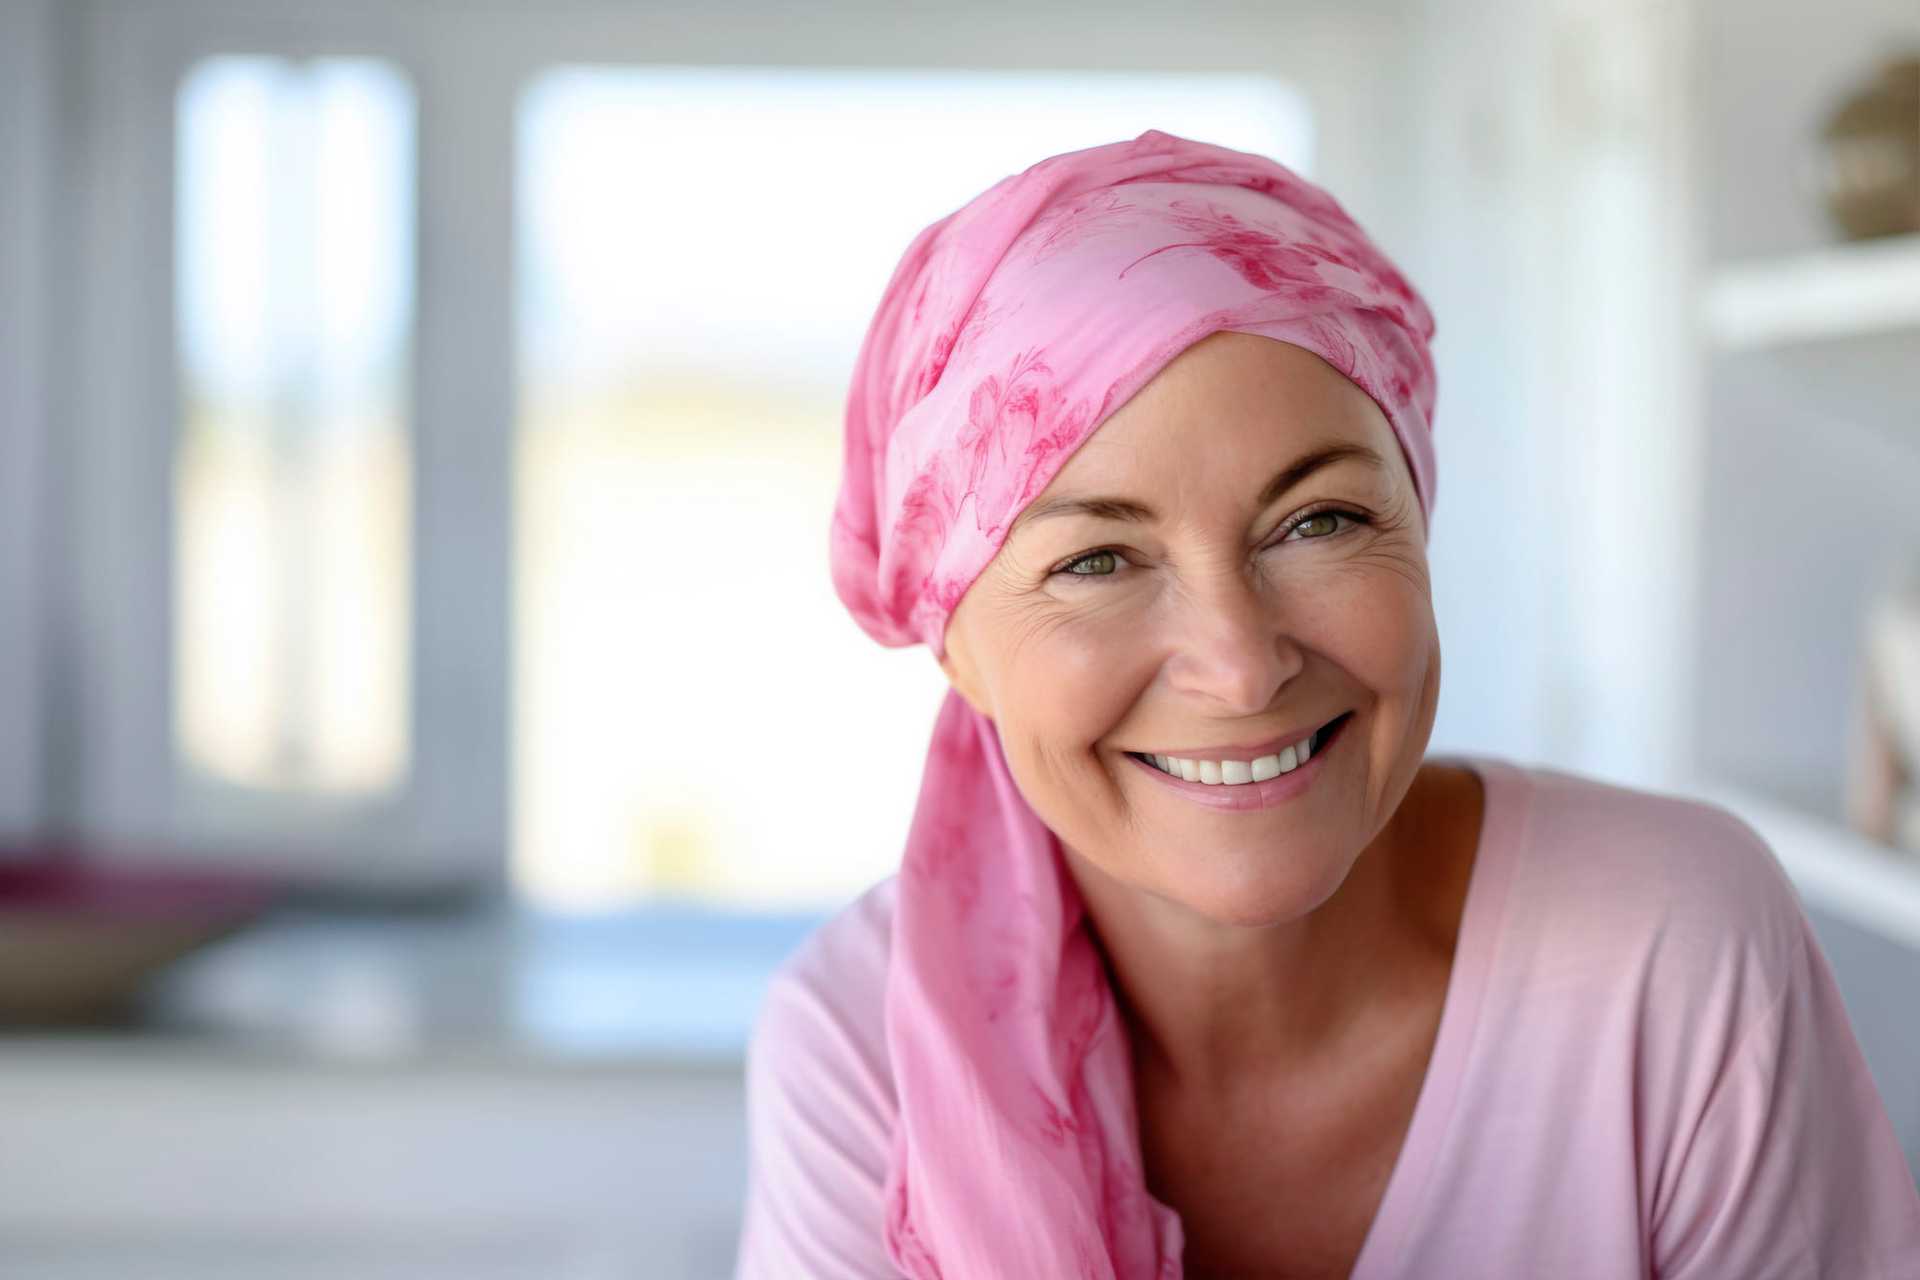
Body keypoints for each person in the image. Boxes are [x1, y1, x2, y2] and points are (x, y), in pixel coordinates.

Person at [733, 129, 1920, 1278]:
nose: (1242, 665)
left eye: (1321, 521)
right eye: (1097, 560)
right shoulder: (860, 1042)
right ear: (958, 651)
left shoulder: (1672, 943)